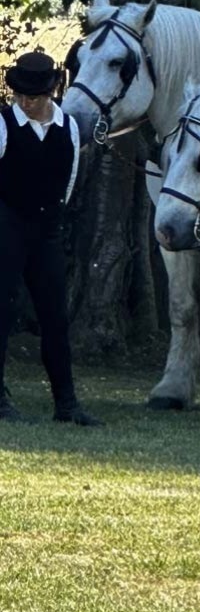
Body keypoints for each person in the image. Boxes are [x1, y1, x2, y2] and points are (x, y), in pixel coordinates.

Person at [0, 52, 101, 425]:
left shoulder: (69, 128)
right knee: (1, 311)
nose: (28, 102)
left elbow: (69, 181)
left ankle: (67, 403)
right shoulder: (3, 125)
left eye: (36, 95)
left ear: (51, 91)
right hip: (6, 225)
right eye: (22, 94)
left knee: (55, 317)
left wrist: (51, 218)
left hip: (45, 230)